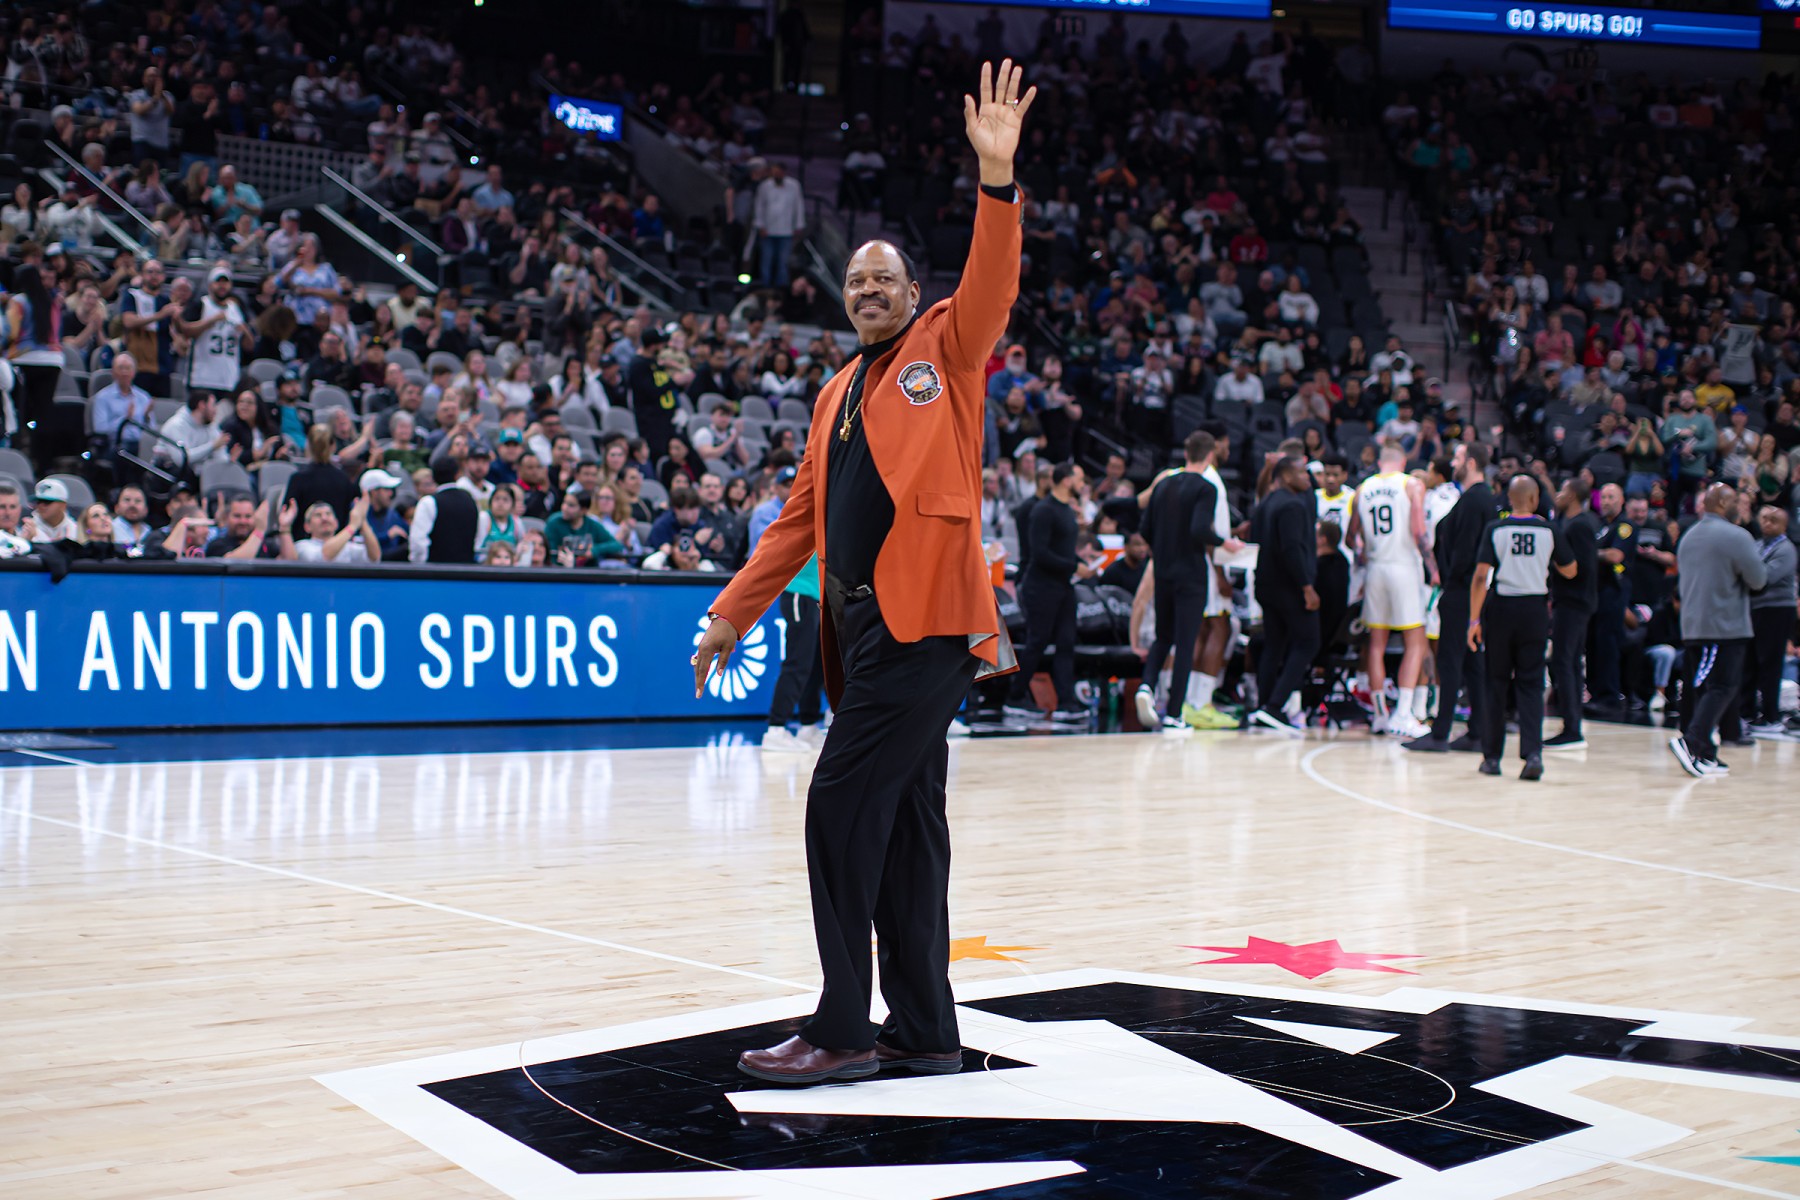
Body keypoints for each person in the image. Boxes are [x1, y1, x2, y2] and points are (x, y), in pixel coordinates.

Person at [693, 60, 1032, 1085]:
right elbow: (797, 522)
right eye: (856, 282)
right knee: (909, 830)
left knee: (838, 807)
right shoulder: (836, 388)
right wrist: (731, 616)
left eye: (885, 279)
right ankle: (924, 1030)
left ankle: (843, 1029)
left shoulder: (950, 347)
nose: (869, 290)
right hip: (867, 633)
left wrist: (997, 180)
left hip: (928, 628)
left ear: (914, 293)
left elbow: (993, 283)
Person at [1467, 476, 1578, 780]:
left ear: (1509, 499)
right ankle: (1532, 754)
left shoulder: (1496, 528)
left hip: (1501, 609)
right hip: (1534, 611)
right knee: (1531, 683)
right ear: (1534, 499)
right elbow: (1571, 570)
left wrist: (1474, 620)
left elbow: (1480, 577)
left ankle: (1491, 758)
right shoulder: (1548, 530)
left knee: (1495, 682)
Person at [1134, 430, 1234, 731]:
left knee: (1163, 636)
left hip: (1163, 571)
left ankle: (1146, 686)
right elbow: (1199, 529)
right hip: (1191, 574)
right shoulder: (1206, 487)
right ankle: (1175, 713)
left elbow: (1145, 529)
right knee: (1186, 642)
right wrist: (1225, 543)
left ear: (1186, 453)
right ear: (1210, 455)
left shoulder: (1164, 483)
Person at [1669, 484, 1768, 778]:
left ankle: (1705, 752)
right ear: (1723, 503)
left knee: (1703, 689)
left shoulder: (1689, 536)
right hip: (1723, 627)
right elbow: (1758, 579)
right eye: (1735, 500)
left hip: (1694, 626)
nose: (1740, 504)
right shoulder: (1737, 536)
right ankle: (1691, 742)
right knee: (1722, 687)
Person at [1406, 444, 1494, 753]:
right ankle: (1477, 731)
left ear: (1470, 462)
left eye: (1457, 458)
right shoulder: (1476, 497)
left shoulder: (1474, 500)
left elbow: (1465, 551)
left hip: (1461, 590)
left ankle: (1440, 732)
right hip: (1467, 590)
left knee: (1451, 659)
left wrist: (1449, 579)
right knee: (1471, 662)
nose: (1453, 463)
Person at [1350, 444, 1432, 737]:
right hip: (1403, 567)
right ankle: (1403, 714)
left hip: (1376, 568)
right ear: (1403, 461)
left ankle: (1380, 716)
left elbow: (1350, 537)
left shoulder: (1362, 489)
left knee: (1376, 645)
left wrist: (1365, 554)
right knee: (1416, 642)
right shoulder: (1411, 484)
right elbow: (1419, 531)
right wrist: (1433, 568)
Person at [1004, 462, 1094, 722]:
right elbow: (1040, 553)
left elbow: (1062, 549)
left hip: (1063, 585)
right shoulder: (1043, 510)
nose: (1082, 484)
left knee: (1066, 642)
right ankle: (1015, 697)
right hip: (1041, 586)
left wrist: (1081, 564)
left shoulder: (1067, 509)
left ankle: (1066, 702)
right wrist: (1074, 566)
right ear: (1066, 480)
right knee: (1037, 642)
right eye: (1079, 478)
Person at [1249, 455, 1319, 734]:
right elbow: (1292, 549)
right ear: (1286, 476)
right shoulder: (1293, 505)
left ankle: (1265, 707)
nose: (1307, 478)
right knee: (1309, 642)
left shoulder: (1265, 503)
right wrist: (1306, 586)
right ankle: (1275, 706)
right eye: (1302, 473)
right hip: (1289, 586)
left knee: (1274, 645)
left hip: (1265, 584)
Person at [1546, 479, 1602, 749]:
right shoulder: (1570, 523)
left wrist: (1554, 563)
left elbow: (1582, 568)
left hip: (1574, 602)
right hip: (1571, 601)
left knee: (1564, 661)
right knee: (1569, 663)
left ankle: (1571, 729)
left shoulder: (1579, 525)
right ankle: (1571, 726)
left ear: (1573, 496)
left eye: (1563, 490)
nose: (1558, 495)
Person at [1746, 507, 1797, 736]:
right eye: (1765, 518)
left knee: (1770, 663)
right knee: (1751, 662)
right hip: (1756, 609)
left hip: (1777, 610)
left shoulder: (1786, 549)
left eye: (1774, 520)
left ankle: (1770, 716)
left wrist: (1747, 577)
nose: (1767, 523)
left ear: (1784, 526)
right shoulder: (1757, 545)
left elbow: (1764, 579)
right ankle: (1748, 712)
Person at [176, 268, 252, 399]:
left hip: (229, 380)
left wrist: (245, 331)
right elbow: (187, 332)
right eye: (218, 282)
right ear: (210, 284)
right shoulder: (201, 304)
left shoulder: (236, 308)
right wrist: (211, 321)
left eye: (225, 282)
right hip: (202, 378)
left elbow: (249, 346)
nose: (222, 286)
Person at [408, 458, 487, 563]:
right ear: (457, 475)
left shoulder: (428, 502)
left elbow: (418, 541)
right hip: (466, 568)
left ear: (433, 477)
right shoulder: (472, 501)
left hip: (435, 569)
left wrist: (421, 565)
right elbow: (480, 537)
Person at [293, 497, 380, 563]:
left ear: (336, 523)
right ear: (307, 527)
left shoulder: (348, 547)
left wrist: (362, 520)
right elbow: (323, 557)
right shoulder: (302, 546)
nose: (324, 518)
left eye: (328, 514)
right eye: (318, 515)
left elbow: (374, 559)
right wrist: (352, 526)